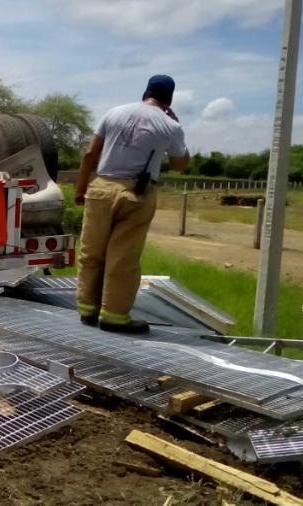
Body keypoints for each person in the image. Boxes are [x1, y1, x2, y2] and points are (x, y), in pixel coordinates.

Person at [74, 74, 190, 334]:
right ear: (169, 100)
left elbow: (90, 153)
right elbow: (180, 163)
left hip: (101, 188)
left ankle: (87, 310)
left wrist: (81, 187)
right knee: (122, 257)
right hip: (136, 195)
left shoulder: (114, 113)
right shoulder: (170, 126)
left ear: (145, 92)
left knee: (91, 252)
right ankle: (114, 316)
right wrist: (176, 127)